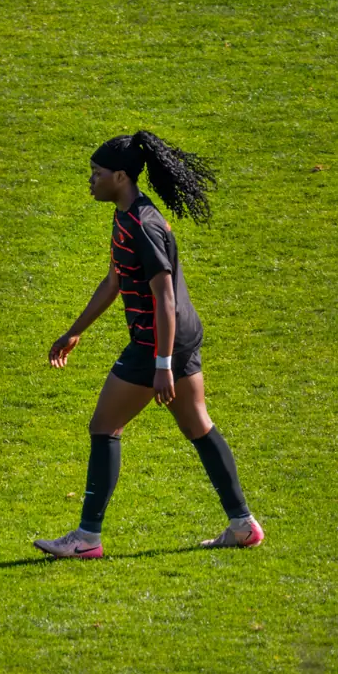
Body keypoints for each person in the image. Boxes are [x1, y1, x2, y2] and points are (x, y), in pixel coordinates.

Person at [34, 130, 264, 559]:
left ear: (120, 176)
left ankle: (86, 538)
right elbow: (115, 281)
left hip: (158, 342)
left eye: (97, 173)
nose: (91, 180)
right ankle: (242, 524)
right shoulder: (128, 215)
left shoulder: (142, 224)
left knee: (104, 427)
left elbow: (165, 297)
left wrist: (161, 364)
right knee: (198, 424)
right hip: (179, 337)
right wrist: (75, 329)